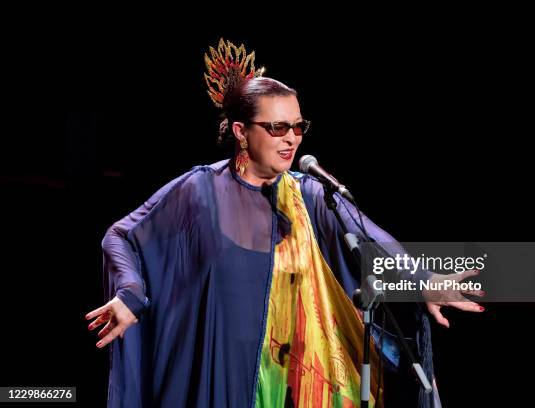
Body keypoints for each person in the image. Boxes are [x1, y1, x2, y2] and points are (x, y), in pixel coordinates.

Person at [85, 39, 483, 408]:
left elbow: (371, 240)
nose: (291, 138)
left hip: (292, 381)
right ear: (241, 132)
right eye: (277, 127)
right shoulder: (198, 190)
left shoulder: (309, 194)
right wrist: (131, 292)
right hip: (221, 377)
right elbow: (121, 235)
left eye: (298, 126)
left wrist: (424, 281)